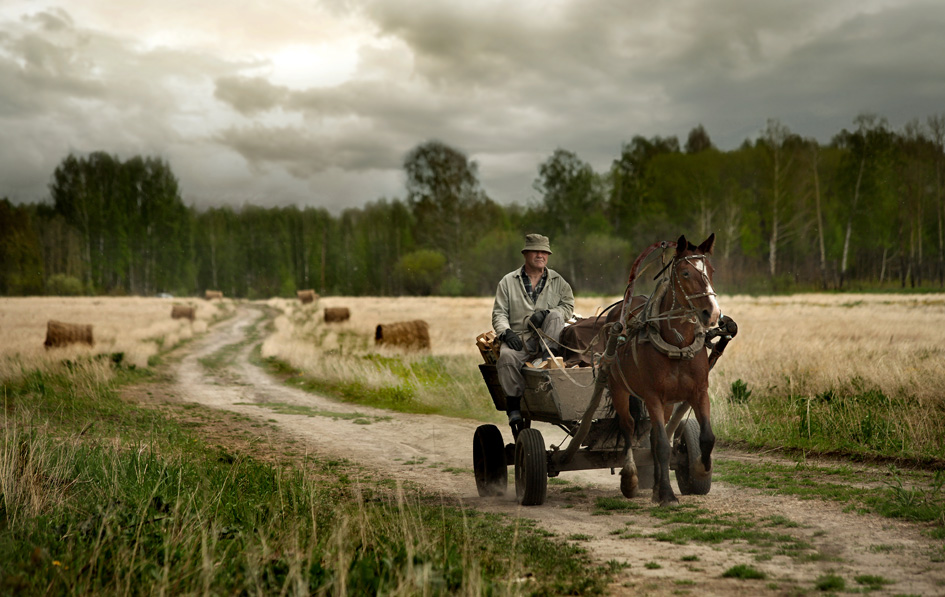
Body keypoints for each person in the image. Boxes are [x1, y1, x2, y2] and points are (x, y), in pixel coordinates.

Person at [492, 233, 574, 431]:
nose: (541, 255)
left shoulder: (558, 281)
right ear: (526, 254)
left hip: (549, 339)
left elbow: (568, 307)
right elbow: (499, 313)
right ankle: (514, 408)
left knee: (555, 315)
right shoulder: (508, 282)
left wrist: (546, 313)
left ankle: (548, 361)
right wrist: (506, 333)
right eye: (536, 251)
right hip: (520, 340)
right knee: (506, 357)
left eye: (544, 252)